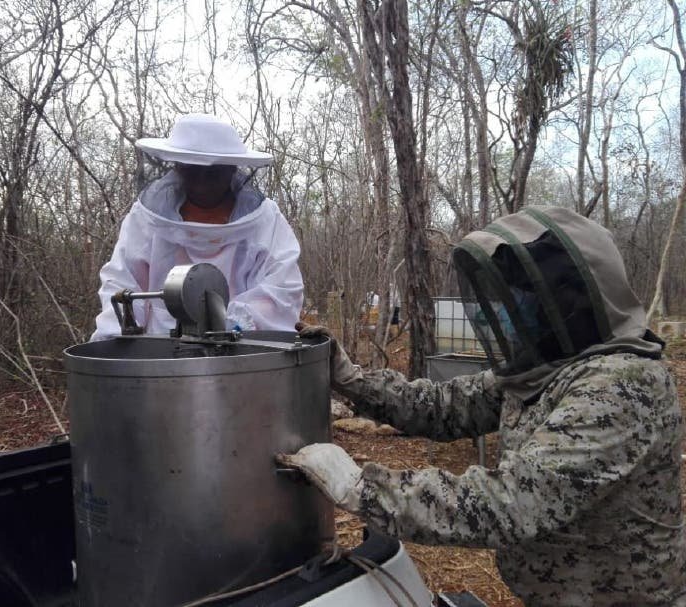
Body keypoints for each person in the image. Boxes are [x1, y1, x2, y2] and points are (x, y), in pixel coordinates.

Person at [279, 206, 686, 606]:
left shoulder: (624, 384)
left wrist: (363, 488)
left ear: (565, 301)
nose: (510, 309)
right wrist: (352, 379)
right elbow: (442, 405)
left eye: (522, 295)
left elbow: (512, 501)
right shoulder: (544, 368)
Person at [91, 113, 303, 340]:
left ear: (232, 169)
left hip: (246, 356)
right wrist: (113, 343)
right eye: (192, 170)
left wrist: (231, 325)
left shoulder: (265, 221)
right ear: (177, 166)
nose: (202, 183)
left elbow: (281, 290)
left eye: (213, 172)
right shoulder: (146, 219)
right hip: (159, 358)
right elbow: (123, 283)